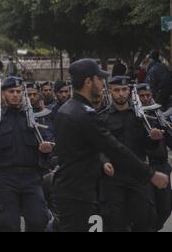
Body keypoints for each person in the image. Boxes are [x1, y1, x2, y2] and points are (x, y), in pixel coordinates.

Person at [51, 59, 169, 232]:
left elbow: (79, 152)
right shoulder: (85, 114)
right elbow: (114, 148)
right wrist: (150, 175)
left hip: (72, 190)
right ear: (88, 81)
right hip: (79, 194)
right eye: (99, 78)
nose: (102, 83)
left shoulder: (67, 109)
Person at [0, 77, 53, 232]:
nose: (15, 95)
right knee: (7, 223)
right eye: (11, 91)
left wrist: (46, 151)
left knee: (39, 219)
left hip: (31, 177)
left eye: (18, 91)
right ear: (3, 94)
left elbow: (47, 143)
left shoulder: (34, 118)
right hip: (7, 177)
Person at [99, 76, 163, 232]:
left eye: (124, 89)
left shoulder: (140, 116)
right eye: (116, 90)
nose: (120, 93)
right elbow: (98, 146)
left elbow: (148, 147)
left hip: (138, 176)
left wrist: (154, 139)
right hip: (114, 177)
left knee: (144, 219)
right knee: (115, 222)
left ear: (129, 90)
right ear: (109, 92)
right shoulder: (102, 118)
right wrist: (104, 161)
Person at [137, 83, 172, 231]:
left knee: (165, 206)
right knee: (148, 209)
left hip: (161, 165)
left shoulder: (159, 114)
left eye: (148, 95)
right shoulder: (134, 116)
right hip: (145, 167)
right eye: (142, 96)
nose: (145, 98)